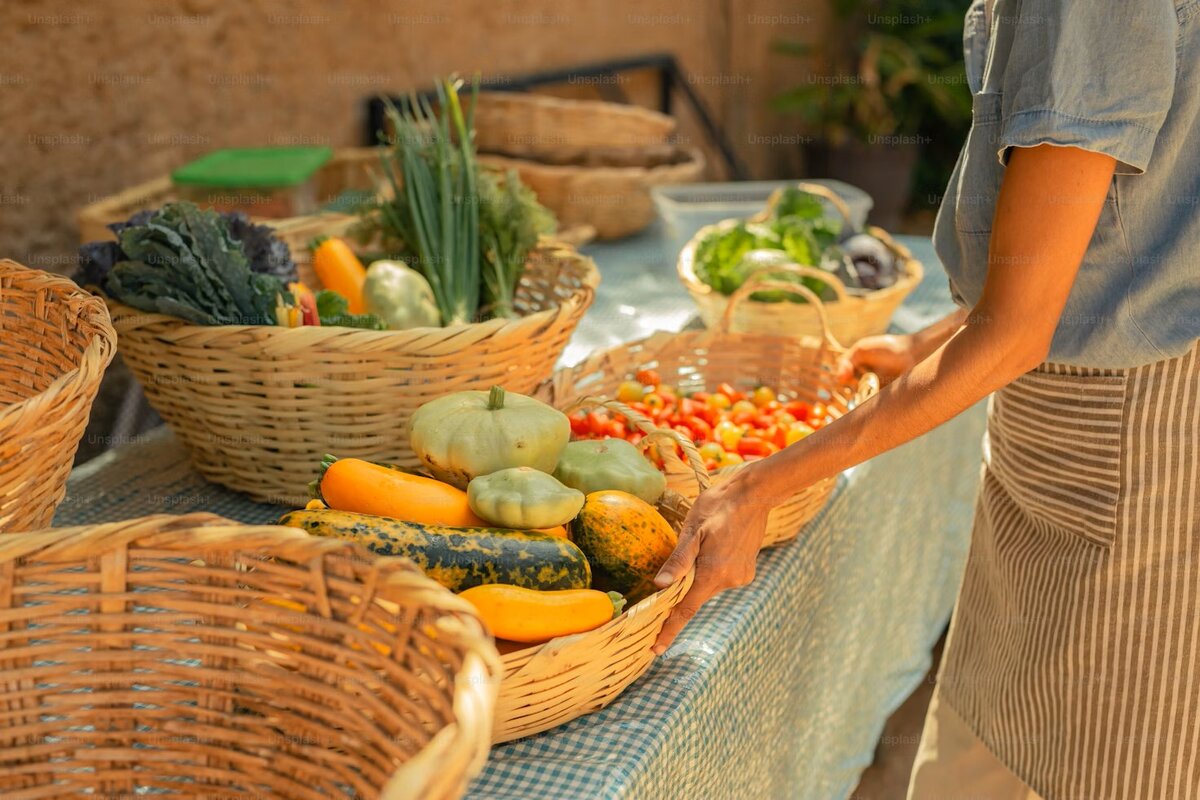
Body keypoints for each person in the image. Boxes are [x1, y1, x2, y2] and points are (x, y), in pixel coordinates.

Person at [650, 0, 1200, 797]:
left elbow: (1020, 331)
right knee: (995, 745)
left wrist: (760, 483)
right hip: (1089, 449)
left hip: (1122, 467)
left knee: (1073, 764)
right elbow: (1105, 248)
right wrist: (922, 346)